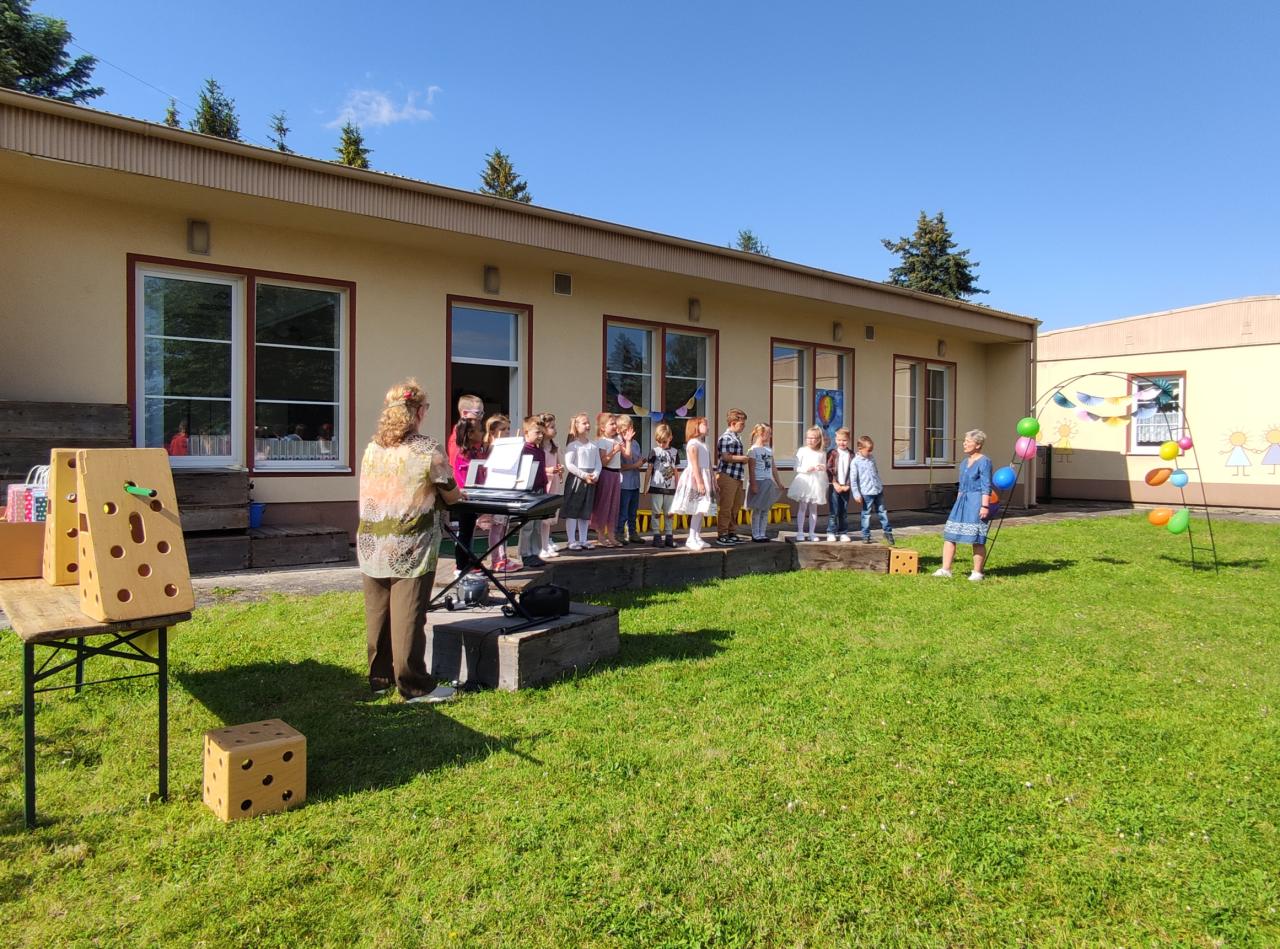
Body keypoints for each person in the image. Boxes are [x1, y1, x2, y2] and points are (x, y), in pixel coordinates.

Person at [356, 379, 461, 704]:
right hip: (410, 544)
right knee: (408, 616)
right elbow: (451, 492)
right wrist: (456, 495)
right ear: (418, 411)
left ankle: (380, 678)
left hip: (372, 541)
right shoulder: (426, 449)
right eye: (426, 407)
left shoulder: (373, 448)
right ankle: (414, 686)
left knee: (378, 613)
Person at [934, 429, 992, 581]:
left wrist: (985, 506)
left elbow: (986, 485)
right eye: (964, 441)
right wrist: (957, 503)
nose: (964, 444)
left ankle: (977, 573)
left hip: (976, 501)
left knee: (977, 537)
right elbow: (961, 486)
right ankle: (946, 569)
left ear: (978, 444)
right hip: (962, 501)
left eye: (968, 441)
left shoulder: (984, 461)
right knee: (950, 534)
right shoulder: (965, 462)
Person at [671, 416, 714, 550]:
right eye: (704, 424)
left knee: (702, 509)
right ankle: (691, 538)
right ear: (696, 427)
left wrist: (713, 481)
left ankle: (697, 536)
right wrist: (700, 482)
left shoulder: (704, 445)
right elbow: (695, 465)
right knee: (697, 508)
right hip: (696, 478)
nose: (708, 427)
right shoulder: (693, 444)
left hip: (705, 477)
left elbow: (709, 465)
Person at [450, 418, 486, 577]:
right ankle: (460, 566)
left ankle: (468, 562)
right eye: (480, 430)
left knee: (469, 530)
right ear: (470, 434)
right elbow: (463, 479)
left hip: (473, 497)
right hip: (465, 499)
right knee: (464, 532)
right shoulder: (462, 454)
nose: (483, 433)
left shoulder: (474, 451)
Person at [562, 412, 600, 550]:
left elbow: (598, 463)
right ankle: (571, 540)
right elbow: (569, 464)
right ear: (577, 426)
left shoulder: (593, 445)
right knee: (573, 510)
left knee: (585, 510)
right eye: (584, 423)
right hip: (577, 480)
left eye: (588, 422)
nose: (588, 425)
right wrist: (584, 475)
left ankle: (583, 539)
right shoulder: (573, 445)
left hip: (590, 480)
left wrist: (595, 474)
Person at [483, 413, 517, 571]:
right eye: (503, 429)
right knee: (497, 527)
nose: (507, 432)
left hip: (506, 488)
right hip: (496, 490)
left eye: (508, 428)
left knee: (504, 527)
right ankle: (496, 559)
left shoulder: (505, 447)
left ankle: (503, 557)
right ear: (493, 432)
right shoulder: (494, 447)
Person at [516, 416, 549, 568]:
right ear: (526, 432)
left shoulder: (540, 451)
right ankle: (525, 553)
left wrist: (545, 487)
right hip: (528, 491)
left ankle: (535, 552)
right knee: (527, 525)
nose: (540, 436)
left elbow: (541, 472)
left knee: (537, 525)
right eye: (537, 432)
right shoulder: (523, 450)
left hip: (540, 490)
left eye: (542, 433)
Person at [787, 426, 829, 542]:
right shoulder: (802, 451)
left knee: (814, 509)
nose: (810, 440)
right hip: (804, 481)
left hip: (816, 482)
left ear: (819, 440)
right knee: (803, 507)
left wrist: (822, 467)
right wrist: (806, 469)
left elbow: (824, 466)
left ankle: (812, 532)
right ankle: (800, 531)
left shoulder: (822, 453)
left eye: (813, 438)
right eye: (808, 438)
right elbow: (796, 467)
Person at [714, 408, 749, 546]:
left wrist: (742, 460)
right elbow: (725, 457)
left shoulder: (737, 438)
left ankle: (731, 532)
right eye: (742, 424)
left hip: (738, 476)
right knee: (726, 506)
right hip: (727, 475)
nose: (744, 426)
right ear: (733, 423)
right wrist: (743, 458)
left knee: (736, 506)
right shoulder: (726, 438)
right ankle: (722, 534)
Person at [852, 435, 894, 546]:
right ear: (860, 449)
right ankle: (866, 535)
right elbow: (853, 480)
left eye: (871, 450)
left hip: (877, 490)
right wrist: (856, 494)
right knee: (866, 514)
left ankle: (887, 532)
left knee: (882, 511)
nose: (870, 452)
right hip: (866, 492)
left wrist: (879, 484)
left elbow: (875, 472)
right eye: (868, 450)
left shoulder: (871, 458)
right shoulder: (855, 462)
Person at [746, 423, 785, 542]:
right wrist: (753, 484)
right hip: (758, 482)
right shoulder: (753, 450)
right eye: (769, 433)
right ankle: (755, 534)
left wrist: (779, 482)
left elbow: (773, 468)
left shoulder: (769, 450)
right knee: (757, 509)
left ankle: (762, 533)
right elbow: (751, 469)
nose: (770, 436)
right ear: (760, 434)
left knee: (765, 510)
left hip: (768, 482)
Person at [590, 412, 623, 547]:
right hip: (606, 474)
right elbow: (603, 461)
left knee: (613, 506)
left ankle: (611, 535)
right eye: (612, 424)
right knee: (604, 505)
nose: (615, 426)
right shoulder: (602, 442)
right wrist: (614, 451)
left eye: (615, 423)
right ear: (603, 427)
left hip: (616, 475)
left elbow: (627, 454)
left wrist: (625, 440)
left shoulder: (617, 440)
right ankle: (601, 536)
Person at [645, 423, 680, 547]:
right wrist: (646, 486)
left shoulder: (675, 452)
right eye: (658, 441)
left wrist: (678, 487)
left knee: (669, 512)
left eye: (664, 442)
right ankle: (656, 535)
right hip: (656, 486)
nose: (661, 444)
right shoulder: (654, 451)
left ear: (670, 438)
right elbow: (649, 469)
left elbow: (675, 470)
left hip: (670, 487)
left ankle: (669, 535)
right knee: (656, 511)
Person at [536, 412, 564, 559]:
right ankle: (540, 546)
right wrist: (548, 470)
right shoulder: (538, 448)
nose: (555, 429)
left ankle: (546, 544)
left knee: (548, 518)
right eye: (551, 427)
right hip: (543, 483)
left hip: (553, 484)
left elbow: (558, 462)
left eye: (555, 426)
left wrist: (560, 470)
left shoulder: (555, 446)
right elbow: (538, 467)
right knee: (541, 518)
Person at [615, 415, 644, 544]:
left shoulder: (635, 443)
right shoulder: (619, 443)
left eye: (631, 427)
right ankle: (619, 533)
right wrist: (634, 465)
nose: (631, 430)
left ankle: (632, 533)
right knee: (623, 512)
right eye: (627, 428)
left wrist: (641, 462)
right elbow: (621, 465)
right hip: (624, 483)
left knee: (633, 511)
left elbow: (638, 459)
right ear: (621, 429)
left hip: (635, 482)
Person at [825, 427, 854, 542]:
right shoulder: (832, 453)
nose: (842, 442)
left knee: (844, 511)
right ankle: (831, 532)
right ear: (835, 440)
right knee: (834, 511)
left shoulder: (851, 454)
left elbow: (854, 471)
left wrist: (849, 485)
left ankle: (843, 532)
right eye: (839, 440)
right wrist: (834, 483)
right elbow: (828, 469)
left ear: (849, 440)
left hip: (846, 487)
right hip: (834, 486)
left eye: (844, 440)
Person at [447, 393, 485, 469]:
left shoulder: (475, 434)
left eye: (482, 413)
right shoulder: (458, 439)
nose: (481, 417)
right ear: (465, 413)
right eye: (477, 413)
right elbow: (456, 467)